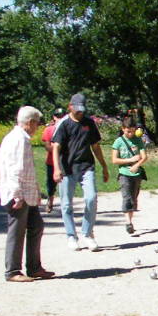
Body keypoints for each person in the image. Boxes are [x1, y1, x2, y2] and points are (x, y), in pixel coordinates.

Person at [0, 106, 55, 283]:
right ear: (30, 122)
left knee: (36, 225)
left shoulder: (22, 138)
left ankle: (34, 267)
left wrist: (35, 192)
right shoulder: (18, 140)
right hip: (18, 195)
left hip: (27, 194)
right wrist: (17, 195)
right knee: (17, 231)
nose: (38, 127)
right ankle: (12, 271)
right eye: (37, 123)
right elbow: (15, 169)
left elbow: (27, 169)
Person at [51, 92, 111, 251]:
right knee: (66, 205)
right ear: (70, 106)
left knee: (91, 199)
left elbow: (96, 147)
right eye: (77, 109)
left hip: (87, 167)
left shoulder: (89, 123)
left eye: (82, 109)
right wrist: (56, 168)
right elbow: (55, 147)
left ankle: (87, 233)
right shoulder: (63, 123)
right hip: (67, 169)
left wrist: (104, 166)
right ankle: (71, 236)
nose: (80, 112)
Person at [111, 112, 149, 236]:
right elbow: (114, 160)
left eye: (132, 131)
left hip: (136, 174)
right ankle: (128, 223)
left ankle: (130, 221)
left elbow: (144, 157)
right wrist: (130, 161)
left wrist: (137, 165)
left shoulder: (138, 140)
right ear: (123, 129)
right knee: (126, 197)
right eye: (128, 131)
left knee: (133, 198)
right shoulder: (118, 142)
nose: (130, 134)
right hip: (124, 173)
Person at [40, 108, 63, 215]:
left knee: (65, 182)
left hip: (64, 161)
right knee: (51, 183)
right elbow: (47, 146)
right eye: (58, 116)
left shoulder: (66, 128)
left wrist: (56, 147)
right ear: (54, 117)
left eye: (62, 116)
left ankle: (65, 203)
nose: (60, 118)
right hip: (51, 161)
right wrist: (58, 148)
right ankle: (50, 199)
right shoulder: (49, 129)